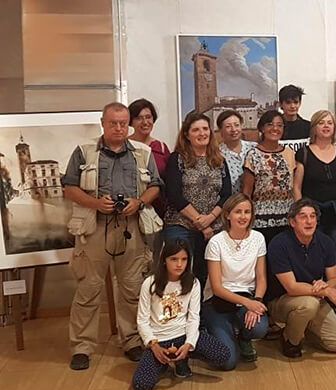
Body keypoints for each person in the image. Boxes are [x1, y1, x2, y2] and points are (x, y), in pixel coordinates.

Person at [63, 102, 163, 370]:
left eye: (122, 123)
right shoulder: (84, 152)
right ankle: (82, 347)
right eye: (112, 123)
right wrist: (95, 203)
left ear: (127, 124)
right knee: (88, 290)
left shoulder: (143, 152)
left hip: (131, 229)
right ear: (103, 123)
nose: (118, 128)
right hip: (94, 229)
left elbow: (155, 185)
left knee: (131, 289)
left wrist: (139, 202)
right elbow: (69, 187)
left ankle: (131, 341)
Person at [132, 239, 229, 390]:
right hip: (159, 340)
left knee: (223, 355)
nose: (179, 264)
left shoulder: (193, 283)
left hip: (183, 335)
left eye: (184, 259)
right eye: (174, 259)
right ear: (164, 260)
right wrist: (154, 345)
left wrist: (189, 344)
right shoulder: (150, 283)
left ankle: (182, 359)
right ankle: (163, 362)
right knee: (141, 385)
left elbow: (193, 317)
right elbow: (142, 320)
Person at [266, 198, 336, 358]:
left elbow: (334, 278)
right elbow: (291, 287)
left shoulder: (325, 242)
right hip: (282, 300)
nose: (309, 221)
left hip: (315, 297)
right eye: (303, 216)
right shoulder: (279, 244)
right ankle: (290, 340)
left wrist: (325, 285)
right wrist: (326, 292)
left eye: (312, 216)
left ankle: (302, 326)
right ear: (292, 222)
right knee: (308, 305)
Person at [163, 113, 232, 290]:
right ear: (186, 134)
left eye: (205, 129)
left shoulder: (219, 161)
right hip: (181, 225)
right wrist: (201, 222)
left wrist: (210, 218)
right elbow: (174, 194)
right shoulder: (177, 159)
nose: (201, 133)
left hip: (213, 227)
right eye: (195, 130)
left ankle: (200, 315)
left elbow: (226, 194)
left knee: (205, 275)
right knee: (178, 274)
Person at [201, 194, 269, 369]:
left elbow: (261, 278)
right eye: (238, 212)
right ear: (228, 215)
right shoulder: (216, 242)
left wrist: (257, 301)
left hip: (246, 298)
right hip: (217, 302)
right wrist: (249, 303)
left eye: (247, 212)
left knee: (259, 328)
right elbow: (216, 288)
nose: (243, 216)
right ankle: (206, 334)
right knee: (228, 362)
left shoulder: (258, 238)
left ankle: (243, 337)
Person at [293, 110, 336, 255]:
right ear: (314, 128)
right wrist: (300, 213)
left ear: (334, 127)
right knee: (311, 256)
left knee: (332, 257)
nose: (326, 126)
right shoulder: (304, 153)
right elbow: (296, 187)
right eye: (321, 123)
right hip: (311, 215)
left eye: (329, 123)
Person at [242, 110, 298, 246]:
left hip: (286, 218)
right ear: (262, 128)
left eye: (279, 125)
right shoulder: (253, 155)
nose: (275, 129)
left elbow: (295, 188)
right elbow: (247, 191)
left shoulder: (290, 154)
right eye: (270, 124)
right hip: (260, 219)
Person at [128, 98, 170, 269]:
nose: (145, 122)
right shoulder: (125, 146)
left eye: (149, 117)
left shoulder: (160, 147)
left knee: (155, 262)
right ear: (131, 121)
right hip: (130, 213)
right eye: (139, 118)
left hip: (157, 214)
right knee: (131, 264)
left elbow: (167, 180)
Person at [217, 110, 257, 193]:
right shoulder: (217, 154)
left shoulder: (254, 148)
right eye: (228, 126)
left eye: (237, 125)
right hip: (230, 203)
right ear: (220, 130)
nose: (233, 129)